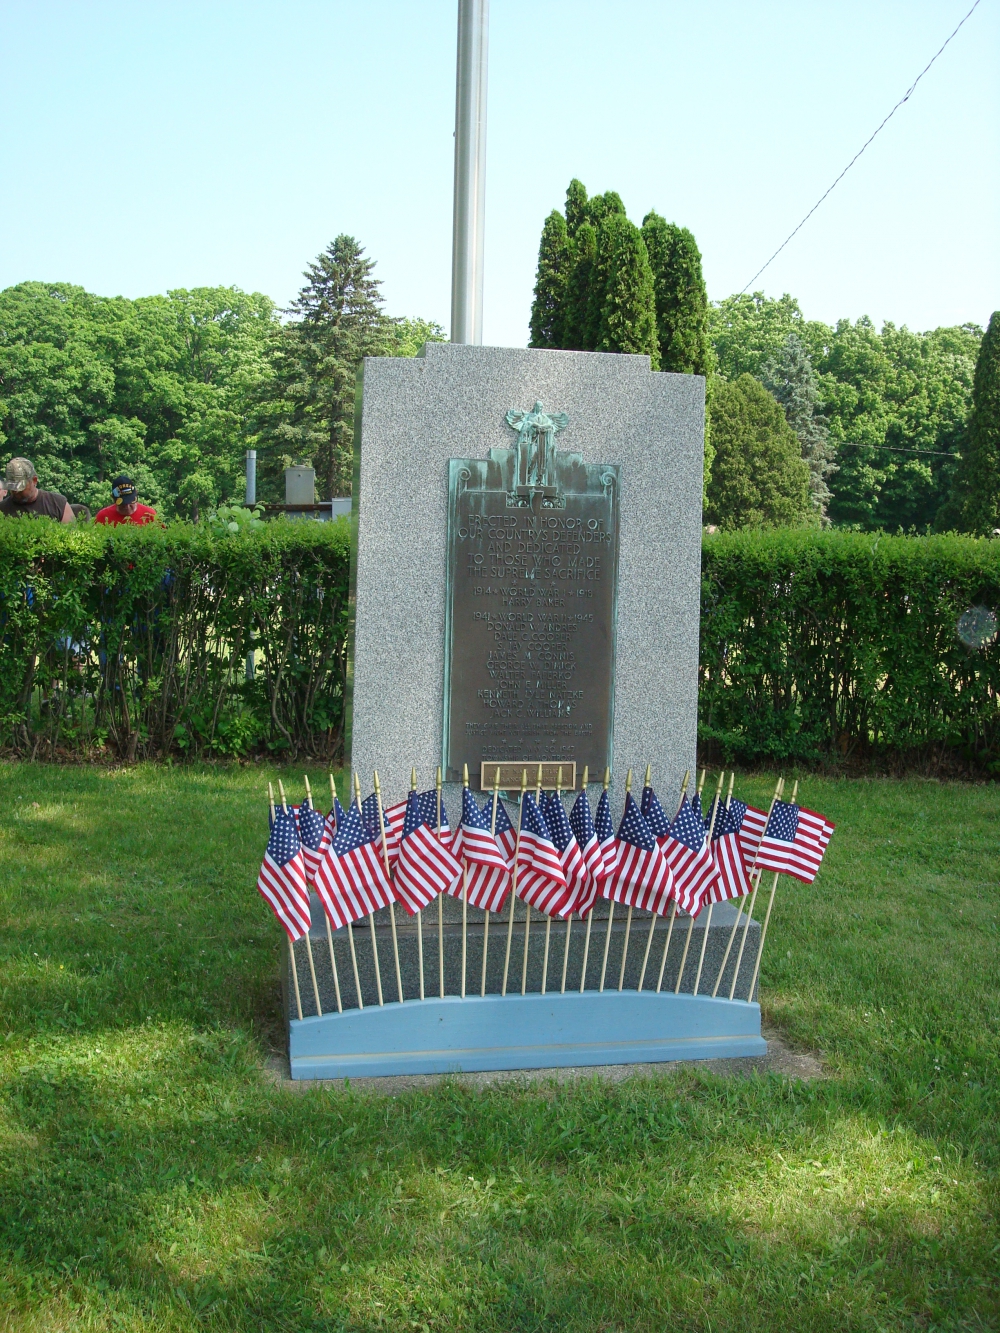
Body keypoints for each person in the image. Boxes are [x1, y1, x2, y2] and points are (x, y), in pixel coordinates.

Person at [0, 458, 75, 522]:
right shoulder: (2, 509)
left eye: (20, 488)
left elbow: (72, 535)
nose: (15, 492)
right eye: (12, 488)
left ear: (34, 480)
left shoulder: (57, 504)